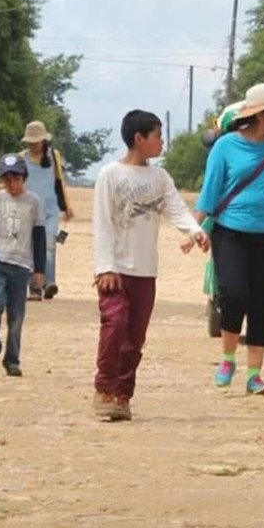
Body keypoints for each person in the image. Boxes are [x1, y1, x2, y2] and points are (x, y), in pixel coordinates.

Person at [92, 110, 209, 421]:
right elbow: (103, 223)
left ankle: (122, 394)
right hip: (115, 270)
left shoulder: (160, 178)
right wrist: (105, 267)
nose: (162, 142)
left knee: (135, 338)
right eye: (157, 136)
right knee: (114, 325)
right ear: (139, 138)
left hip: (145, 270)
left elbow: (176, 209)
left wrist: (195, 231)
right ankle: (104, 387)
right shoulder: (109, 175)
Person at [194, 82, 264, 397]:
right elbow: (210, 191)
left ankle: (255, 375)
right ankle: (228, 359)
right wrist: (196, 228)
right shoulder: (225, 146)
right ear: (260, 115)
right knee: (233, 293)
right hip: (231, 232)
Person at [0, 153, 46, 378]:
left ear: (24, 178)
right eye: (7, 180)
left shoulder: (34, 202)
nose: (12, 184)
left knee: (16, 316)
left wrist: (40, 270)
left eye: (16, 179)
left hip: (22, 265)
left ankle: (12, 359)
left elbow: (39, 237)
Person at [19, 120, 73, 299]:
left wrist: (66, 206)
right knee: (30, 249)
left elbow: (59, 182)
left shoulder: (54, 156)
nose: (33, 144)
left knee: (49, 246)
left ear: (43, 140)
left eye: (36, 141)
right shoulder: (21, 158)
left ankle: (49, 282)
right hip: (28, 211)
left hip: (50, 210)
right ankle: (34, 287)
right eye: (31, 141)